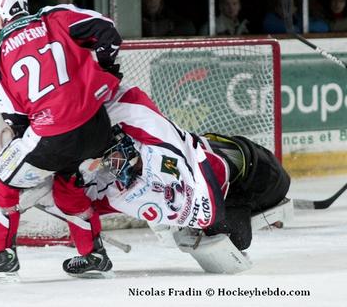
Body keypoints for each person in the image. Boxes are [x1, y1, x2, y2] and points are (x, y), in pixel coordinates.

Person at [0, 0, 123, 277]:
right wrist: (105, 68)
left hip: (52, 136)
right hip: (97, 127)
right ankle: (93, 255)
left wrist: (34, 155)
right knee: (68, 187)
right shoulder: (53, 17)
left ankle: (1, 254)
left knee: (1, 183)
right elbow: (107, 30)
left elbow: (16, 118)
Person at [54, 84, 290, 276]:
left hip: (260, 174)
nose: (115, 165)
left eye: (117, 157)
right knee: (186, 221)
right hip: (225, 171)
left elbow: (135, 103)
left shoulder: (158, 147)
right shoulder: (120, 178)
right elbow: (80, 205)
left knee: (235, 238)